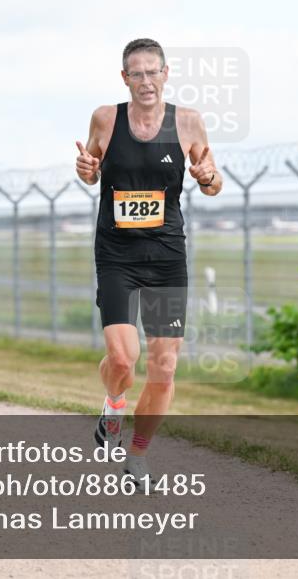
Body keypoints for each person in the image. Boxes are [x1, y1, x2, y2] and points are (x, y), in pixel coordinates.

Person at [74, 38, 222, 489]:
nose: (145, 81)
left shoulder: (188, 122)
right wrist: (87, 171)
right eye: (136, 73)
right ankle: (113, 406)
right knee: (123, 359)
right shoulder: (106, 118)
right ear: (125, 78)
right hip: (117, 255)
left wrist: (208, 177)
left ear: (166, 73)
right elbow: (91, 168)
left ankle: (137, 455)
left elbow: (213, 181)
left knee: (164, 366)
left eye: (152, 71)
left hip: (166, 257)